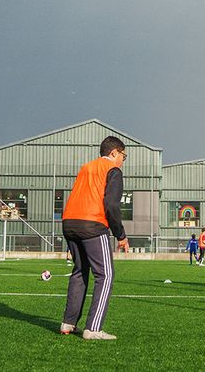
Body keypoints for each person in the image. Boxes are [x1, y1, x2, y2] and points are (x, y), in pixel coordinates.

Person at [60, 136, 130, 340]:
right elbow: (112, 205)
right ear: (114, 153)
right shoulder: (113, 170)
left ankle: (68, 322)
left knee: (80, 271)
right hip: (92, 224)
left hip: (69, 222)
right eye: (123, 156)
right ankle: (93, 328)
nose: (123, 161)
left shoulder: (86, 167)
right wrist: (121, 235)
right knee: (105, 275)